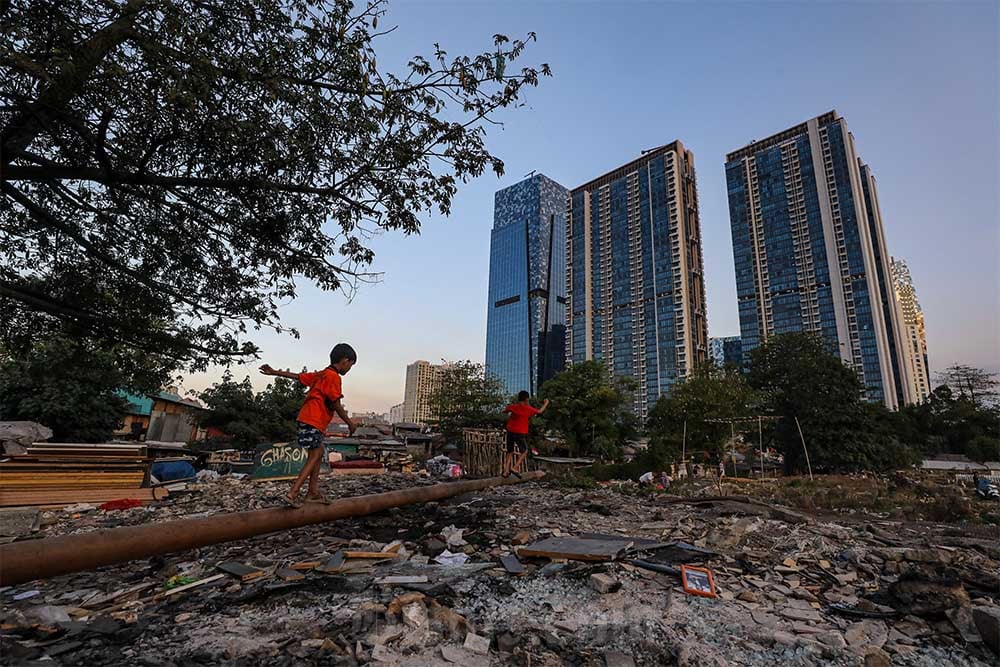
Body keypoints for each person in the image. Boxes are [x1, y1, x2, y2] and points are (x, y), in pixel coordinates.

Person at [260, 343, 357, 507]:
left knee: (318, 452)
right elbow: (336, 404)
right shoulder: (334, 377)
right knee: (314, 455)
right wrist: (350, 423)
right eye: (351, 365)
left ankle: (312, 492)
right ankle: (293, 493)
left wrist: (274, 372)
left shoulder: (321, 374)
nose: (349, 369)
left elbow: (298, 376)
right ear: (345, 361)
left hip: (306, 418)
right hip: (314, 420)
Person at [503, 391, 549, 477]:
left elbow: (505, 410)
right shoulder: (528, 408)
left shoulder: (513, 407)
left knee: (509, 451)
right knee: (524, 451)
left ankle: (506, 471)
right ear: (527, 399)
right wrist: (546, 403)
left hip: (510, 431)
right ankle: (515, 467)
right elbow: (539, 411)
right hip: (520, 432)